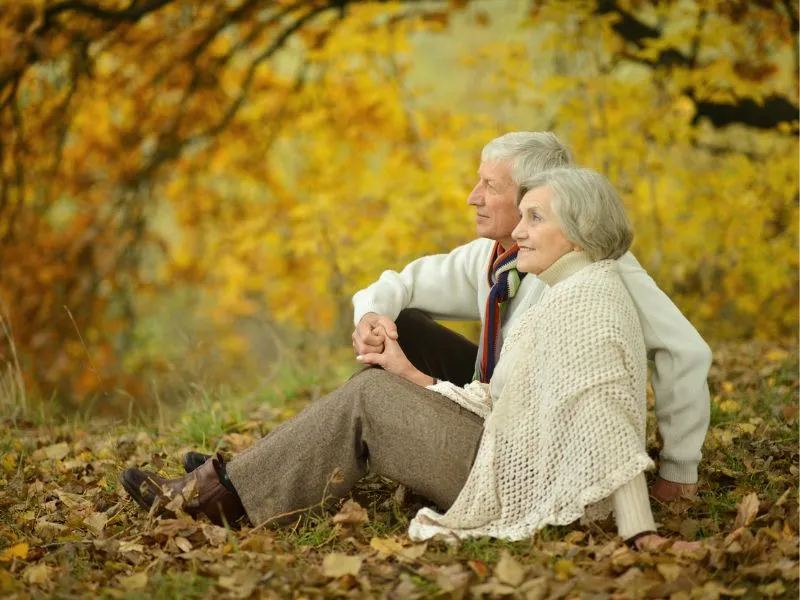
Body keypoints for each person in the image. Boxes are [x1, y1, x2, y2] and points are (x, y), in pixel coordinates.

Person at [121, 167, 696, 551]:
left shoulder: (590, 304)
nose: (516, 231)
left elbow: (606, 424)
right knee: (381, 382)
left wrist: (639, 532)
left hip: (522, 478)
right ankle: (248, 473)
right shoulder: (567, 287)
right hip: (507, 448)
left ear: (580, 229)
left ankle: (223, 497)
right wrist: (409, 373)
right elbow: (501, 398)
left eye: (534, 218)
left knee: (369, 399)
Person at [350, 132, 711, 503]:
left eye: (490, 185)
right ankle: (374, 446)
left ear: (534, 195)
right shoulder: (494, 256)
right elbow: (403, 283)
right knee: (403, 326)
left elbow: (684, 350)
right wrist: (372, 318)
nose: (472, 197)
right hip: (494, 398)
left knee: (368, 393)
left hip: (536, 433)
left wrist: (679, 467)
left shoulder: (599, 264)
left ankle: (402, 443)